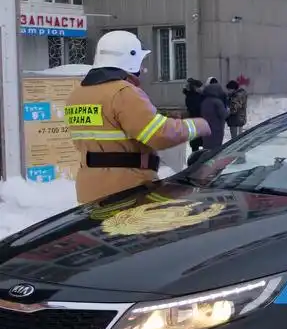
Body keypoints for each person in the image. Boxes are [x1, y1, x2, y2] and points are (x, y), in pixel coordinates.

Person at [66, 31, 210, 204]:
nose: (142, 68)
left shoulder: (78, 95)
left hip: (89, 187)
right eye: (141, 62)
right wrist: (198, 125)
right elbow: (159, 135)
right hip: (126, 187)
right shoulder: (123, 92)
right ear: (130, 58)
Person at [199, 77, 229, 153]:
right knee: (215, 150)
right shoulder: (217, 102)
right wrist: (228, 111)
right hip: (216, 129)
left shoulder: (204, 101)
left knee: (207, 149)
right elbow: (224, 115)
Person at [183, 78, 204, 155]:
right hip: (198, 121)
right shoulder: (196, 97)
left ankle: (195, 160)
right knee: (199, 143)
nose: (202, 89)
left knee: (195, 144)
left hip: (192, 122)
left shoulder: (189, 95)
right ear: (195, 87)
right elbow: (198, 109)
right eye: (200, 87)